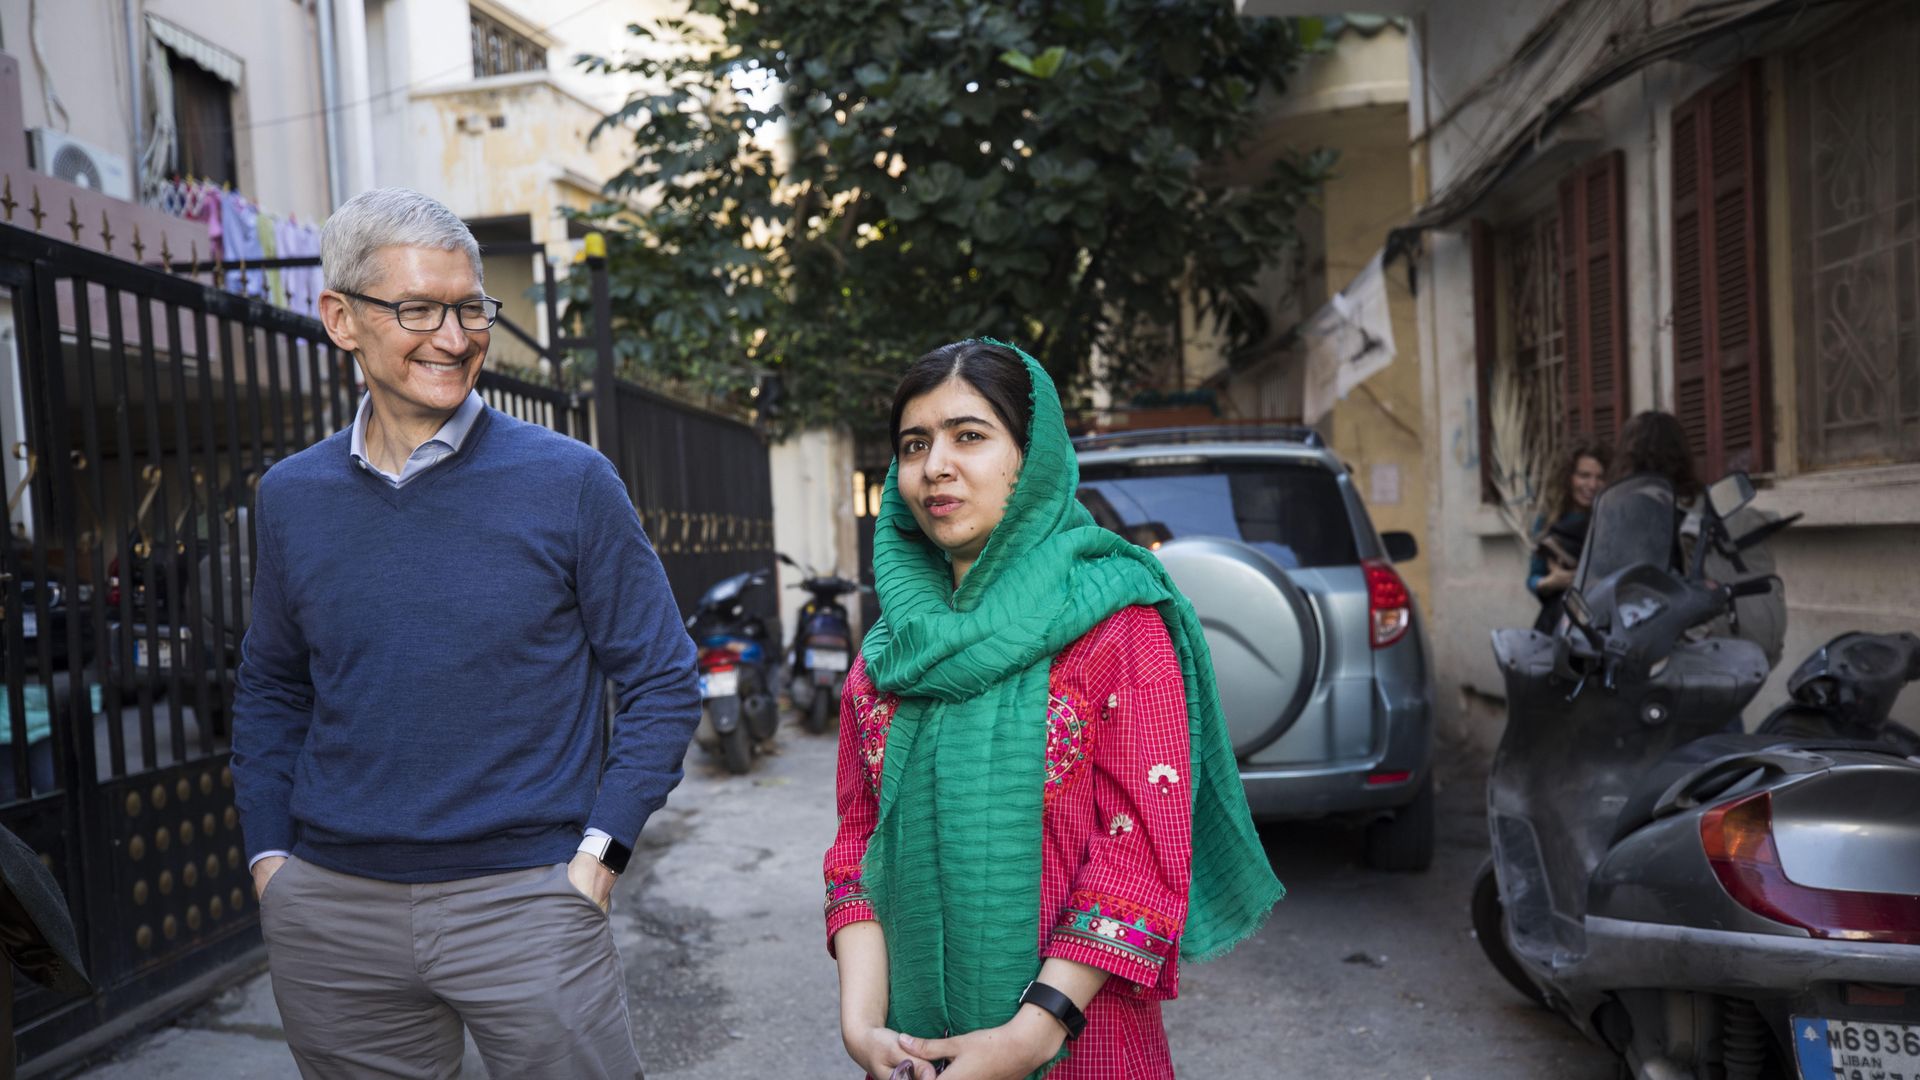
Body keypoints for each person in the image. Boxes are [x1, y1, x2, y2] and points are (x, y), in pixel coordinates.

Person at [230, 188, 699, 1079]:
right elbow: (273, 686)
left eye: (471, 308)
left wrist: (599, 857)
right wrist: (270, 861)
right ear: (341, 318)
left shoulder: (570, 480)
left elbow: (663, 678)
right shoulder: (290, 496)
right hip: (331, 910)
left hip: (528, 900)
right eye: (417, 309)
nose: (453, 336)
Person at [822, 340, 1282, 1080]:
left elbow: (1139, 853)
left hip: (1081, 1045)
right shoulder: (887, 658)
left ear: (1031, 459)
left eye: (969, 436)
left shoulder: (1116, 624)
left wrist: (1030, 1036)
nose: (936, 463)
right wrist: (861, 1027)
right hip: (915, 1054)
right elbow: (857, 848)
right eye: (915, 444)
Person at [1526, 438, 1609, 632]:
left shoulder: (1610, 519)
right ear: (1568, 477)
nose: (1592, 484)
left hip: (1604, 623)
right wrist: (1551, 582)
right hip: (1560, 622)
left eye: (1600, 477)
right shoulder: (1548, 521)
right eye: (1584, 475)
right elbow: (1533, 578)